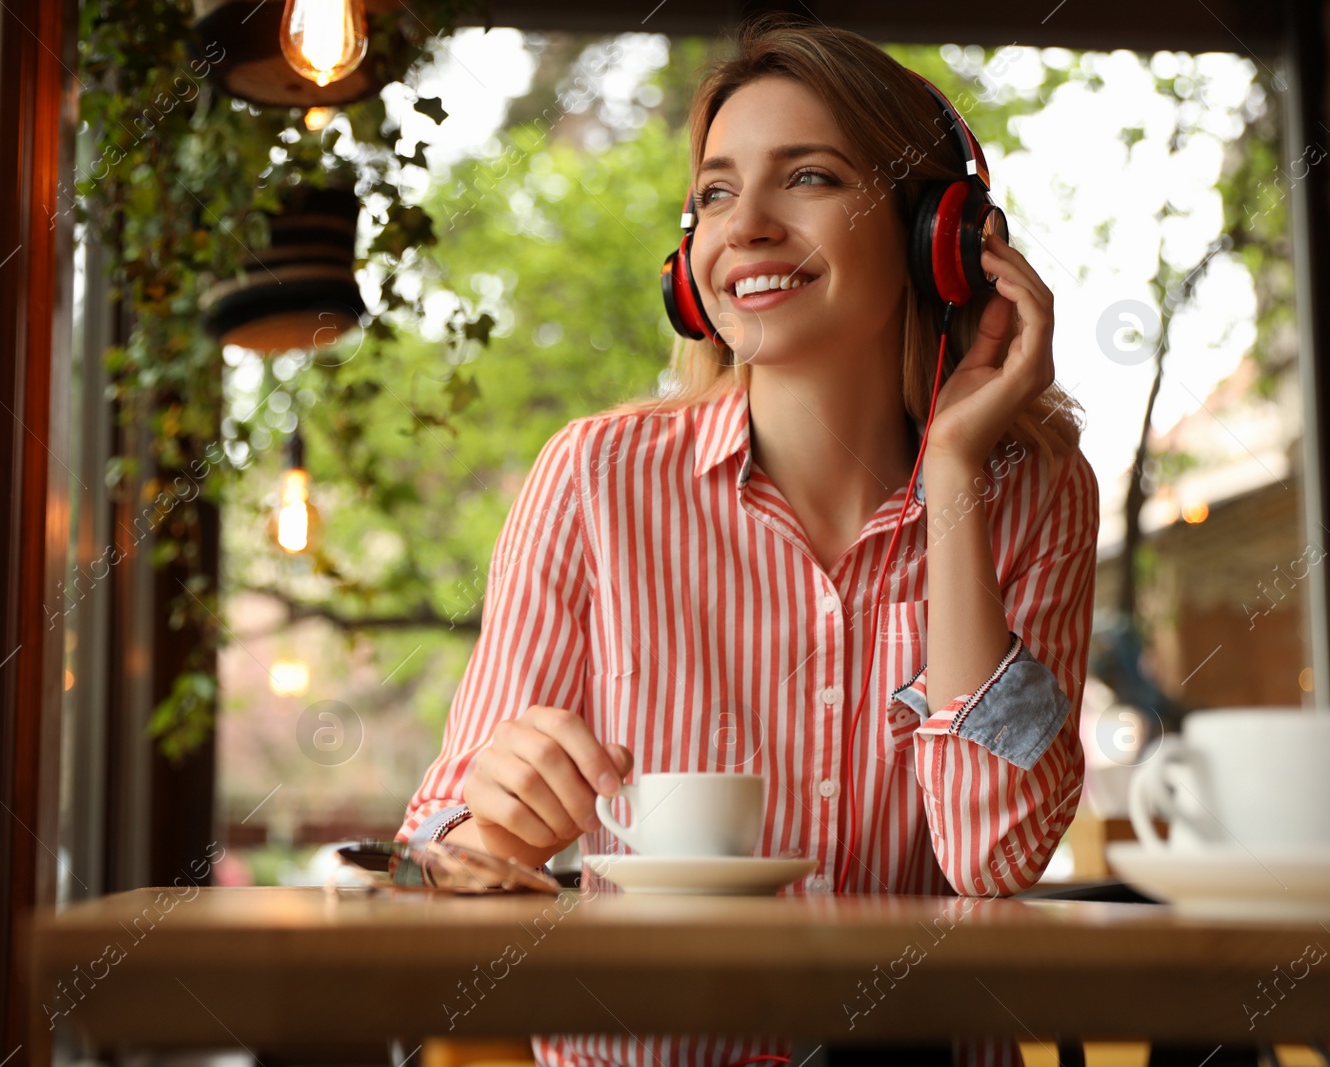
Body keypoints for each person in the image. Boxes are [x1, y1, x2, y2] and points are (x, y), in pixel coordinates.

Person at [397, 14, 1096, 1067]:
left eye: (806, 177)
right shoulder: (593, 479)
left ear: (936, 234)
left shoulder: (1034, 493)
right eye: (716, 192)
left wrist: (951, 471)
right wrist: (486, 831)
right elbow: (431, 863)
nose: (744, 226)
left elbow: (993, 854)